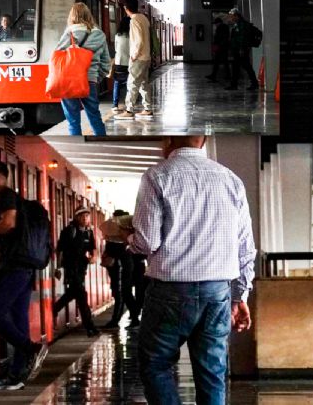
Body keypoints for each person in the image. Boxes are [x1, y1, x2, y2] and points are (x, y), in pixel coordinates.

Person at [117, 136, 256, 405]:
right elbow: (245, 248)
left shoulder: (157, 176)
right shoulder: (230, 179)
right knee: (212, 373)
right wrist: (241, 297)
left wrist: (127, 239)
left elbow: (147, 241)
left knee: (156, 365)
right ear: (204, 139)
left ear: (166, 139)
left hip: (170, 290)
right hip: (218, 292)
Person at [0, 160, 49, 391]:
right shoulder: (7, 197)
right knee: (18, 319)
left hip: (14, 266)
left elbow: (8, 224)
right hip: (23, 268)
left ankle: (32, 349)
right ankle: (17, 375)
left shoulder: (5, 195)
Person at [55, 2, 111, 135]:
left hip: (68, 82)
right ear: (88, 15)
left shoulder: (69, 33)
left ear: (72, 16)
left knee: (73, 121)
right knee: (95, 117)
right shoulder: (99, 34)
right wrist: (97, 77)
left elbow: (57, 56)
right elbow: (106, 63)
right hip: (89, 81)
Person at [52, 207, 100, 337]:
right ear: (76, 217)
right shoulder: (69, 231)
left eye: (87, 216)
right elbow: (60, 250)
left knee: (73, 293)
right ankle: (90, 327)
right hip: (70, 268)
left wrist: (93, 258)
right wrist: (57, 268)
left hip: (82, 268)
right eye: (82, 216)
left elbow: (94, 249)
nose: (85, 219)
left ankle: (54, 309)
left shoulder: (89, 233)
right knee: (81, 296)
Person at [115, 0, 154, 120]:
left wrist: (133, 56)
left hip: (139, 57)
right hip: (146, 57)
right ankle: (147, 108)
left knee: (132, 83)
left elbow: (139, 40)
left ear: (126, 8)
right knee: (143, 83)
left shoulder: (135, 20)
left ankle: (129, 110)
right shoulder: (144, 18)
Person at [100, 210, 139, 329]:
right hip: (120, 265)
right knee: (125, 293)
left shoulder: (121, 236)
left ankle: (116, 320)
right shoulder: (116, 235)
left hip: (120, 265)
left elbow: (116, 250)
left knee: (121, 293)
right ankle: (135, 317)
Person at [226, 8, 260, 91]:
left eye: (232, 16)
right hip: (239, 49)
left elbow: (242, 37)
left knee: (245, 66)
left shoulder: (241, 25)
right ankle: (236, 85)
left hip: (241, 49)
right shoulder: (237, 24)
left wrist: (241, 49)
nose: (231, 18)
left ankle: (253, 84)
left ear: (237, 16)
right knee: (238, 67)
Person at [110, 16, 131, 114]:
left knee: (117, 83)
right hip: (129, 62)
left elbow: (116, 49)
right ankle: (129, 105)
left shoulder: (117, 35)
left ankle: (115, 105)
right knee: (129, 84)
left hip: (119, 62)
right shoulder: (132, 35)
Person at [206, 17, 231, 83]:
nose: (215, 25)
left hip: (221, 47)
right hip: (222, 46)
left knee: (218, 61)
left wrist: (219, 45)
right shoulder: (224, 27)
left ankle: (214, 75)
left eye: (216, 23)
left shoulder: (222, 27)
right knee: (223, 61)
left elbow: (222, 37)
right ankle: (226, 75)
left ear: (219, 22)